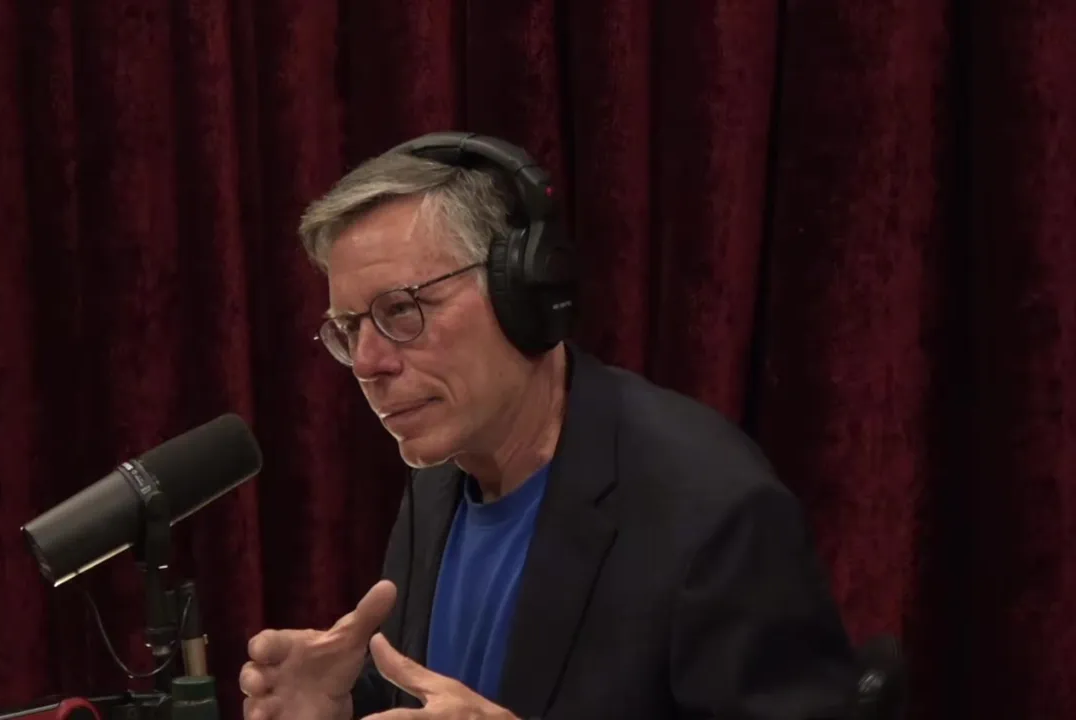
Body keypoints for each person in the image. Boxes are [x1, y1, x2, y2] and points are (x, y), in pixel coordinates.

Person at [237, 133, 861, 719]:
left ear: (522, 292)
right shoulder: (438, 483)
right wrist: (347, 702)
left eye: (401, 309)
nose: (367, 363)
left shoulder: (713, 512)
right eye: (350, 329)